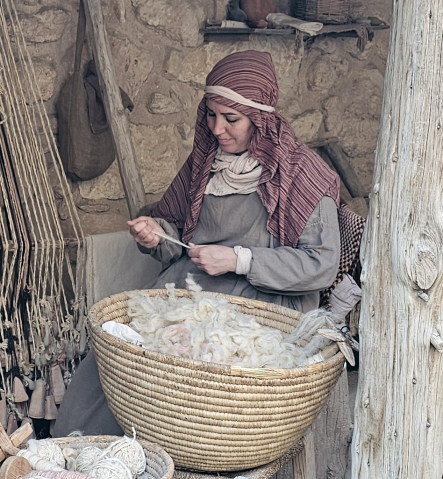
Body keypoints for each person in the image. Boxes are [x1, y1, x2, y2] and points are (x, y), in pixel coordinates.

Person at [53, 50, 341, 437]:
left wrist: (239, 260)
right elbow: (178, 238)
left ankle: (163, 457)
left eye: (231, 118)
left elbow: (320, 266)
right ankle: (87, 456)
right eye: (211, 114)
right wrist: (155, 234)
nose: (217, 128)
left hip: (260, 304)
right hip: (189, 291)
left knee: (182, 378)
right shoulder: (204, 163)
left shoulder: (303, 174)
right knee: (120, 358)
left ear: (261, 119)